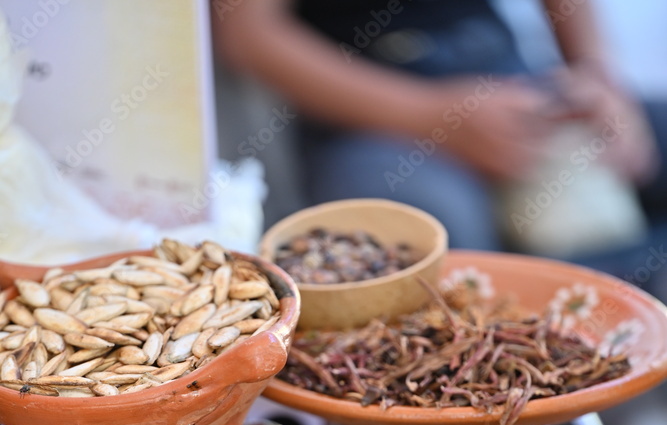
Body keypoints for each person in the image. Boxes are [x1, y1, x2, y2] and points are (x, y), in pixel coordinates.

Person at [212, 0, 666, 290]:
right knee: (427, 239)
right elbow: (245, 33)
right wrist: (432, 115)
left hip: (506, 72)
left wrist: (599, 77)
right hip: (370, 105)